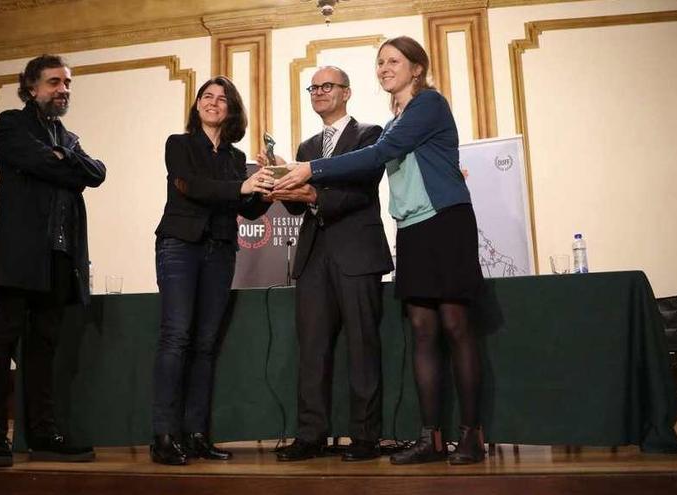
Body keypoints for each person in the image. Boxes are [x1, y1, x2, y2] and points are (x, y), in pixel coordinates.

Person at [275, 36, 486, 465]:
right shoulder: (395, 118)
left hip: (445, 220)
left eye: (393, 61)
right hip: (411, 226)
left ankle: (471, 436)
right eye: (380, 62)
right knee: (423, 331)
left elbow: (382, 155)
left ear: (416, 68)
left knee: (455, 326)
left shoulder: (429, 104)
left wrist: (310, 170)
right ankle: (431, 438)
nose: (384, 68)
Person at [259, 67, 392, 462]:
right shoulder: (307, 146)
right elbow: (295, 204)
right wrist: (280, 179)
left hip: (357, 252)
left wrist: (313, 191)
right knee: (312, 351)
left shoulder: (370, 134)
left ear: (346, 93)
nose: (318, 92)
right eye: (313, 87)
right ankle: (311, 436)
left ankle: (365, 438)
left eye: (326, 86)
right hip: (313, 255)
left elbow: (362, 188)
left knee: (362, 347)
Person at [0, 54, 105, 467]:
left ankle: (43, 433)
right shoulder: (10, 124)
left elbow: (97, 173)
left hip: (59, 257)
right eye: (54, 82)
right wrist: (64, 162)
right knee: (3, 342)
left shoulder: (68, 138)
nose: (63, 89)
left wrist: (62, 159)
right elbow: (38, 161)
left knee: (43, 349)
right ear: (32, 87)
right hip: (19, 254)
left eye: (67, 83)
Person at [150, 76, 273, 466]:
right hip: (180, 246)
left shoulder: (237, 160)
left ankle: (197, 434)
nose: (213, 102)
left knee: (205, 345)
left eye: (222, 99)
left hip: (220, 250)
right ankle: (165, 435)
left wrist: (265, 188)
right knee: (176, 338)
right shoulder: (179, 144)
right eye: (207, 96)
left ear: (231, 110)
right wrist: (241, 188)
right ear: (198, 104)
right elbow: (191, 187)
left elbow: (248, 210)